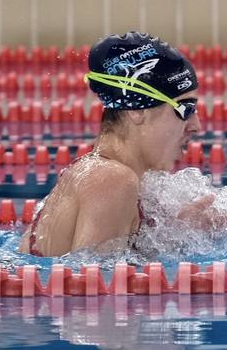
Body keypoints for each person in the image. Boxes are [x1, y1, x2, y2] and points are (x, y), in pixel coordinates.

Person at [22, 32, 202, 257]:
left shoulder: (105, 173)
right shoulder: (113, 180)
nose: (196, 125)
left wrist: (176, 234)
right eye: (186, 108)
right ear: (138, 111)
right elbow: (94, 285)